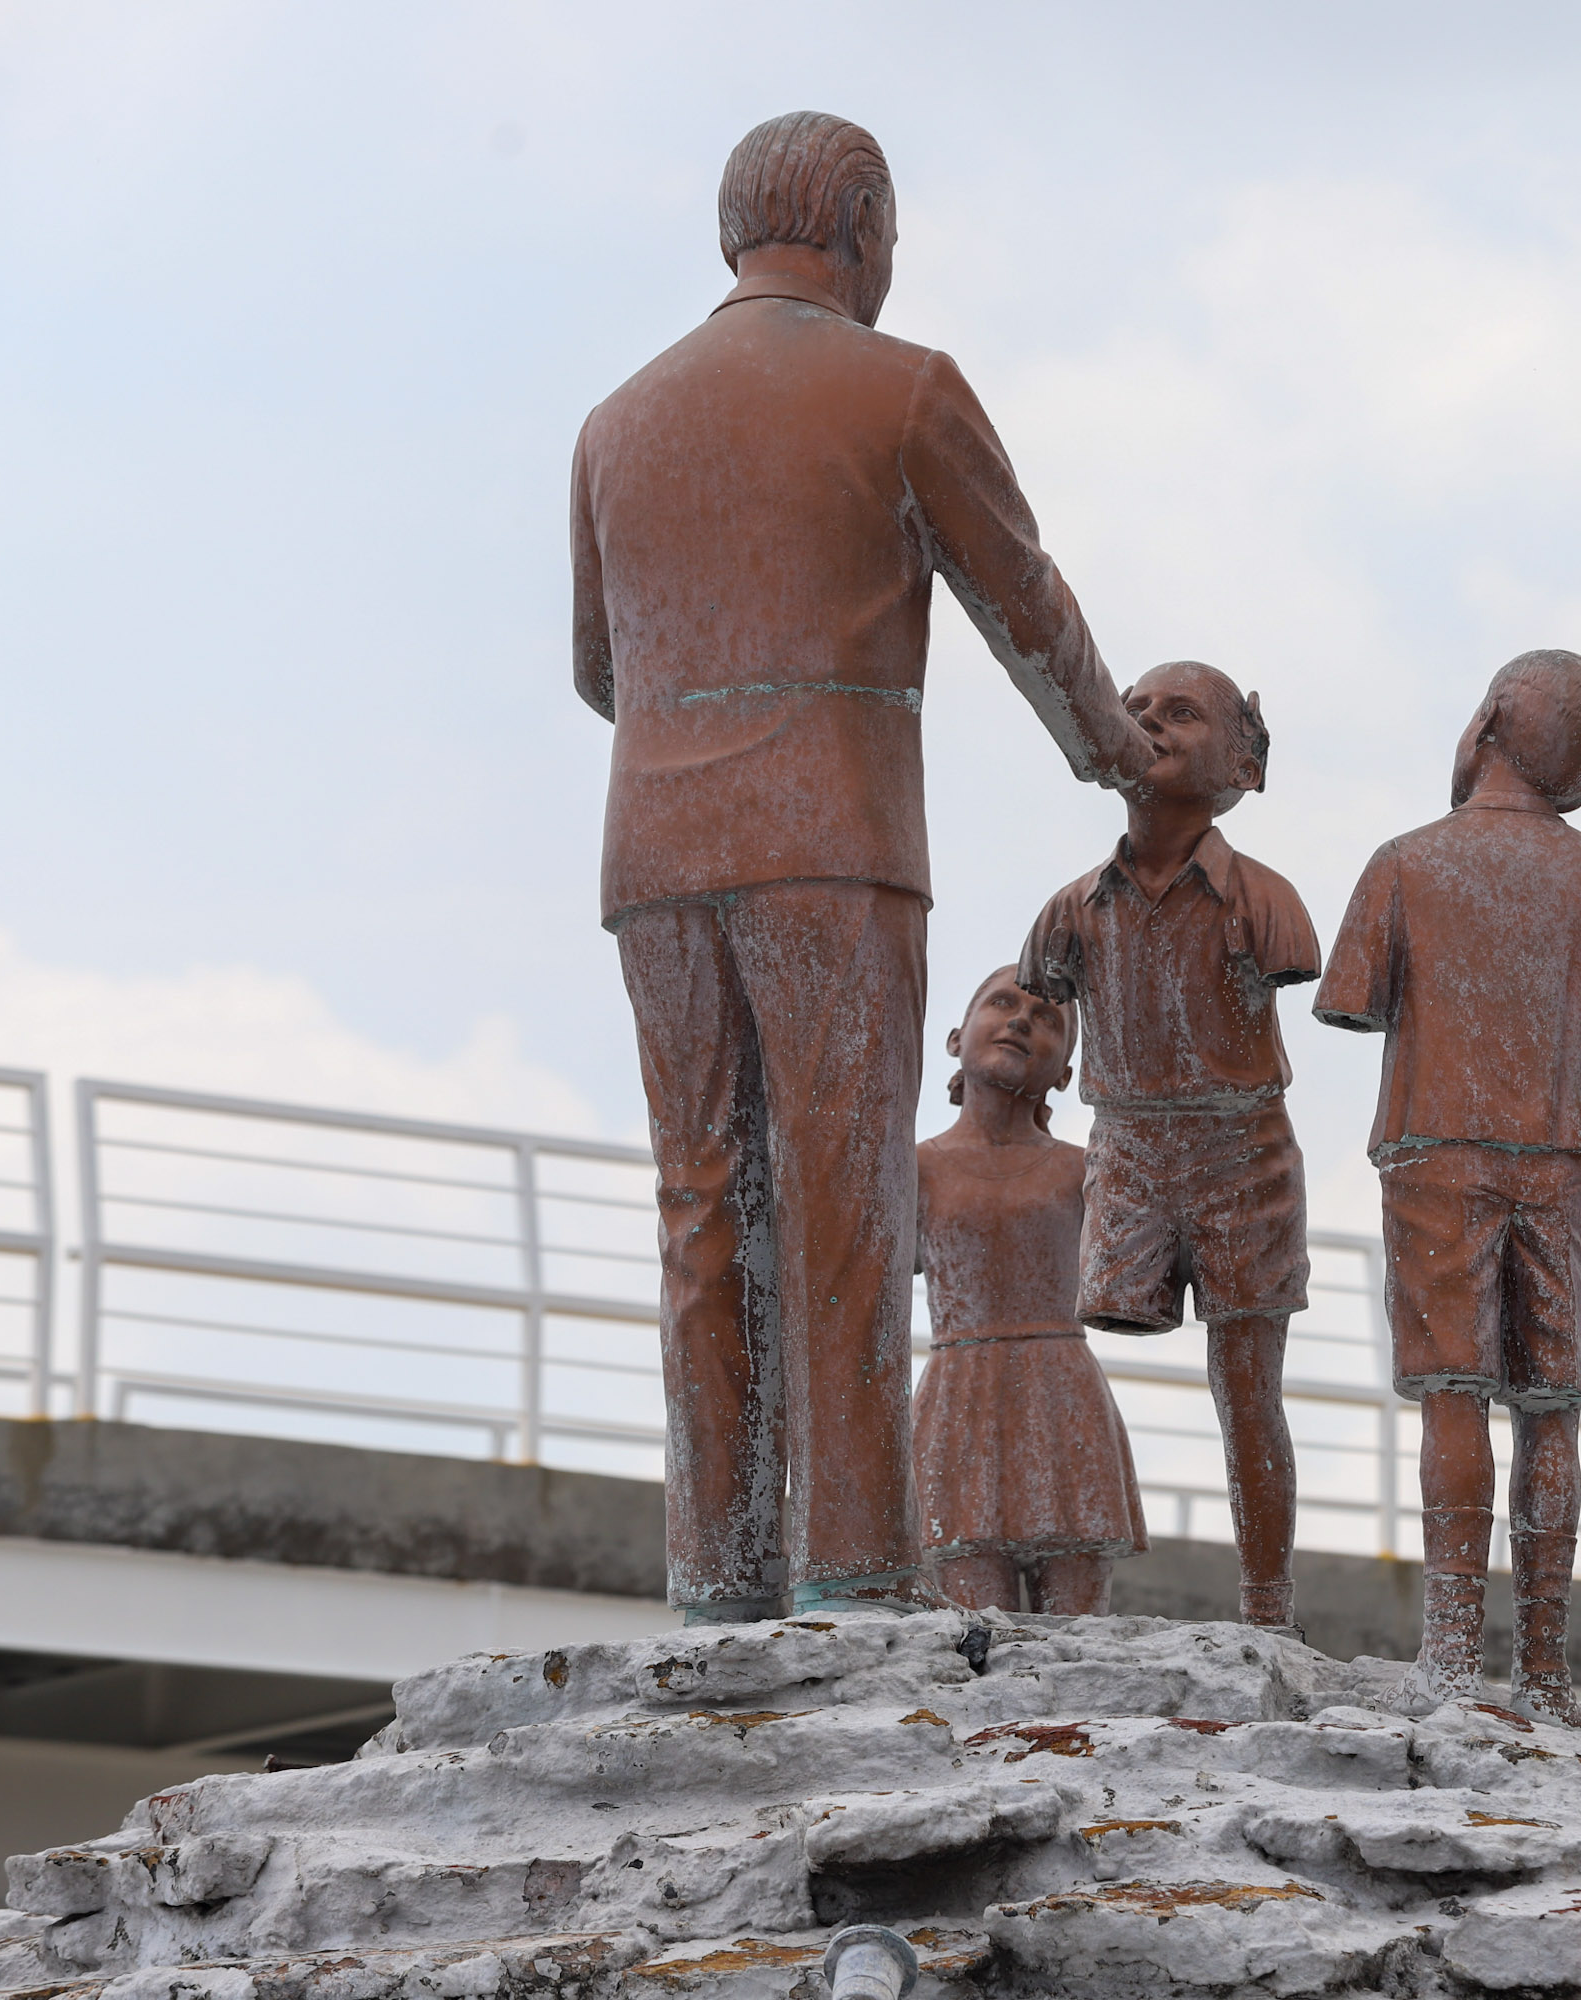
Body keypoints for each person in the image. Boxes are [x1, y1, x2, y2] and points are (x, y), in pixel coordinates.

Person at [572, 112, 1148, 1623]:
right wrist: (1118, 751)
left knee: (705, 1196)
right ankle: (846, 1571)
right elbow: (1023, 596)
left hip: (654, 851)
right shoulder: (904, 390)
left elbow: (598, 671)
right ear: (862, 219)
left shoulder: (616, 420)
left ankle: (717, 1573)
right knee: (843, 1197)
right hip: (833, 840)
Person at [1313, 650, 1581, 1724]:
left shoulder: (1402, 861)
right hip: (1564, 1156)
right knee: (1553, 1403)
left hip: (1436, 1147)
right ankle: (1543, 1669)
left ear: (1484, 718)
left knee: (1453, 1391)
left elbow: (1352, 996)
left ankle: (1445, 1655)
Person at [1019, 663, 1317, 1631]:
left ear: (1246, 763)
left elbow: (1296, 964)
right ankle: (1067, 1567)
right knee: (1085, 1351)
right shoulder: (1071, 911)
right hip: (1131, 1152)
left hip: (1245, 1156)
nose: (1152, 726)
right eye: (1137, 712)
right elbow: (1043, 991)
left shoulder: (1264, 902)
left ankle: (1266, 1606)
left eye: (1182, 714)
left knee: (1247, 1392)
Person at [912, 968, 1146, 1614]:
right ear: (957, 1038)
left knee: (1078, 1635)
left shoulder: (1085, 1169)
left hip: (1063, 1397)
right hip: (959, 1399)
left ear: (1066, 1074)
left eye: (1047, 1019)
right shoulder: (915, 1168)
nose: (1020, 1021)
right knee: (972, 1628)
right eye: (1003, 1004)